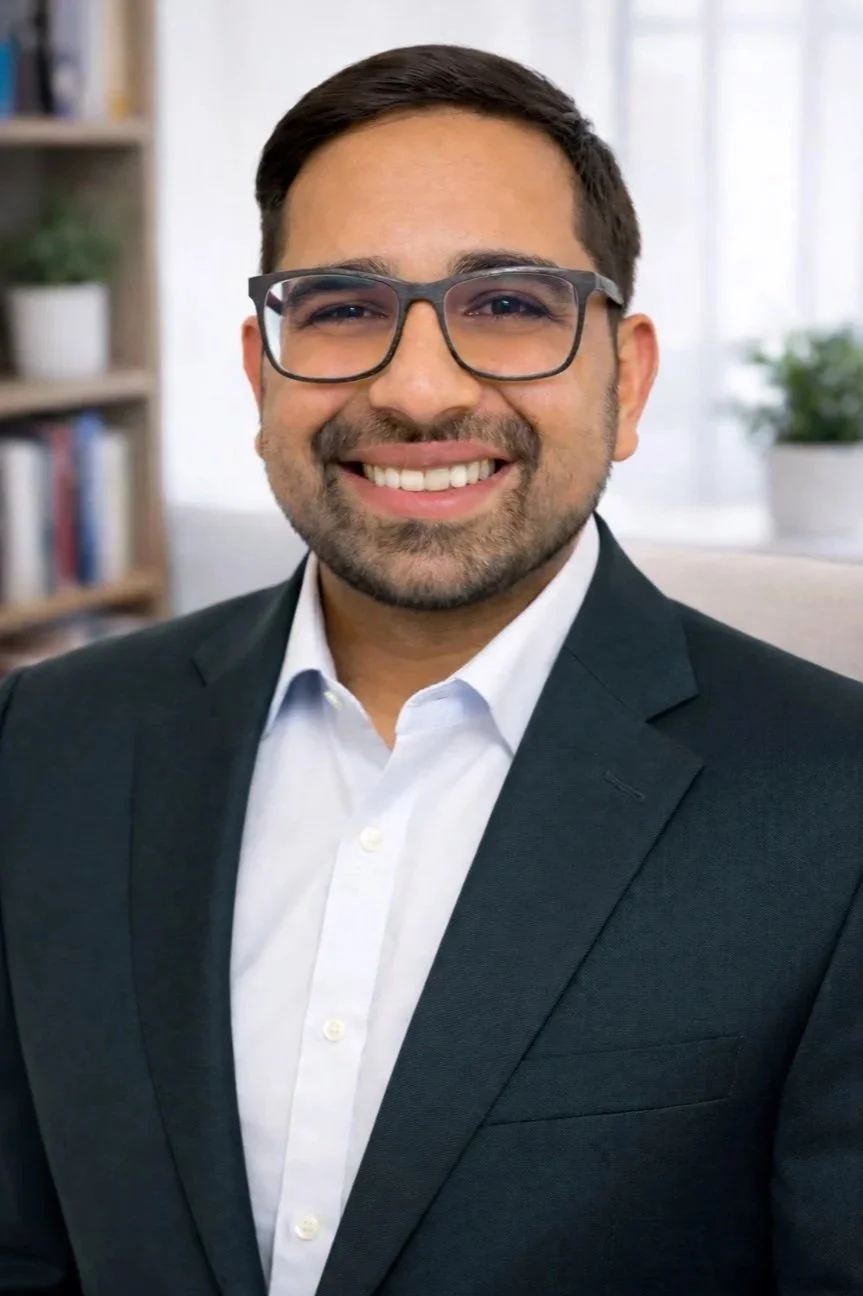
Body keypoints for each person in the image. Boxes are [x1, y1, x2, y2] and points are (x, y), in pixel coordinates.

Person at [0, 42, 861, 1296]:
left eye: (507, 304)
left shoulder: (832, 804)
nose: (415, 388)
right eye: (342, 306)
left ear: (624, 381)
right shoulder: (46, 740)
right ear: (260, 374)